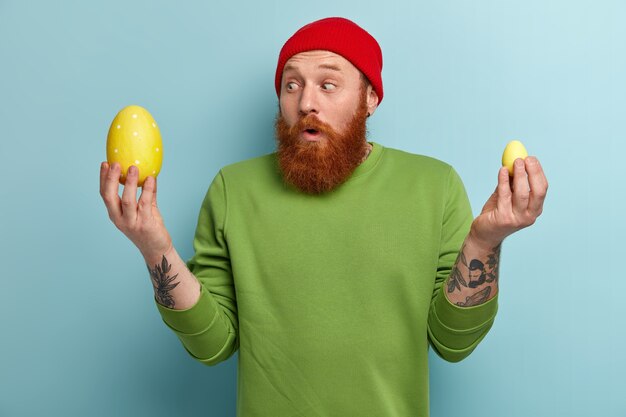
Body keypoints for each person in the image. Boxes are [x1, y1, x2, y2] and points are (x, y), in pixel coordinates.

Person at [99, 17, 548, 417]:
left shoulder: (434, 185)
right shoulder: (232, 189)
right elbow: (212, 345)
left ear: (370, 97)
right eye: (291, 85)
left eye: (328, 85)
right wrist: (154, 247)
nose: (306, 102)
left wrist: (485, 243)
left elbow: (453, 342)